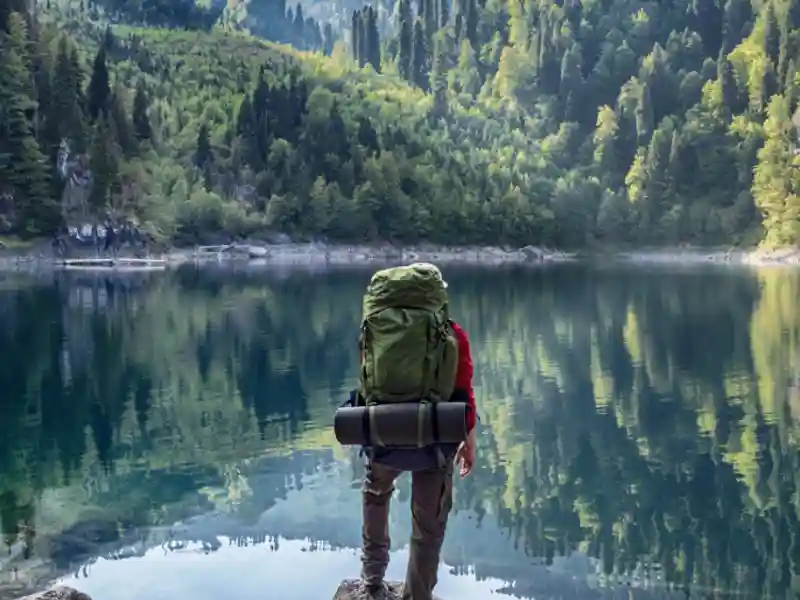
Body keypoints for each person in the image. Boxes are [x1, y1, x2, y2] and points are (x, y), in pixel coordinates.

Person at [356, 263, 478, 600]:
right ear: (436, 298)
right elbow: (463, 390)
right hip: (434, 440)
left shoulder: (375, 331)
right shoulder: (452, 335)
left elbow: (365, 382)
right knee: (428, 525)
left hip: (382, 433)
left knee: (376, 496)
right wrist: (469, 440)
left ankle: (371, 583)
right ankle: (417, 595)